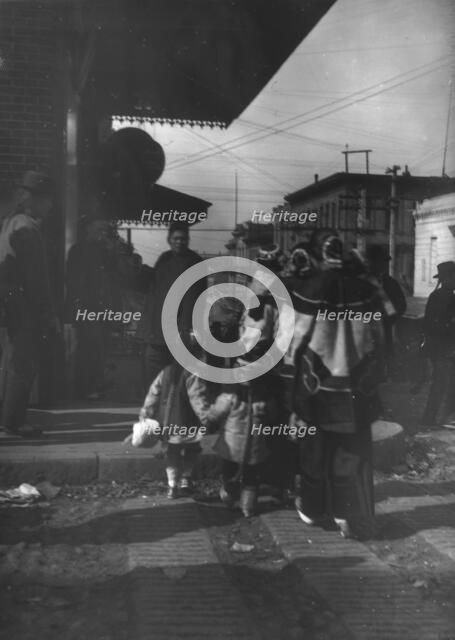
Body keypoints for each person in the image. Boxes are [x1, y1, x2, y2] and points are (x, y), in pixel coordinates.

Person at [285, 231, 385, 539]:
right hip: (356, 386)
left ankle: (313, 510)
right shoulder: (366, 290)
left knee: (314, 451)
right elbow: (380, 338)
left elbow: (295, 341)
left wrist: (291, 383)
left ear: (316, 257)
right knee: (350, 452)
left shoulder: (311, 289)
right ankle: (346, 514)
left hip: (317, 387)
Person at [133, 334, 229, 498]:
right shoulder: (192, 375)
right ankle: (185, 479)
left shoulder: (166, 372)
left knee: (172, 452)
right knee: (192, 449)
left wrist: (146, 413)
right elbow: (198, 399)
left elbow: (153, 394)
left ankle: (172, 486)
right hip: (186, 421)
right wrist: (208, 419)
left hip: (167, 422)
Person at [0, 171, 59, 438]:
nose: (50, 206)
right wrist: (47, 312)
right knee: (24, 362)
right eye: (47, 200)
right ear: (33, 199)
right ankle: (14, 422)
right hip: (24, 303)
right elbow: (37, 278)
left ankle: (9, 418)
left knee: (12, 360)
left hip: (9, 301)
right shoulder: (29, 228)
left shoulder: (9, 223)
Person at [136, 221, 204, 391]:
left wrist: (190, 330)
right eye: (176, 238)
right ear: (169, 239)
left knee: (178, 382)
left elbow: (196, 300)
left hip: (180, 332)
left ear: (188, 240)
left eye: (183, 239)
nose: (179, 242)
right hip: (158, 332)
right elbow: (154, 293)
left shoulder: (195, 262)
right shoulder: (164, 259)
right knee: (153, 379)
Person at [65, 218, 124, 400]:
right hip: (86, 306)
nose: (101, 232)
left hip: (102, 306)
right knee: (89, 346)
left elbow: (116, 277)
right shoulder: (78, 250)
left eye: (103, 230)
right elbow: (73, 280)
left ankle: (94, 386)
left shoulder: (105, 251)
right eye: (98, 229)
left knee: (99, 347)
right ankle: (85, 388)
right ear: (88, 228)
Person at [421, 261, 455, 428]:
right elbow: (435, 324)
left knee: (441, 385)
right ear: (447, 278)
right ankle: (431, 420)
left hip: (440, 348)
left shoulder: (437, 295)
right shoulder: (446, 297)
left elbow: (427, 324)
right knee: (441, 385)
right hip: (444, 348)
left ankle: (433, 419)